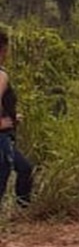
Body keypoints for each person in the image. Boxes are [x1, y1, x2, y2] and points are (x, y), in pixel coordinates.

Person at [0, 29, 33, 210]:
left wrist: (12, 116)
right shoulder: (1, 75)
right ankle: (23, 209)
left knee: (24, 168)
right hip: (2, 137)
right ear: (3, 50)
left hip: (6, 135)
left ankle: (23, 210)